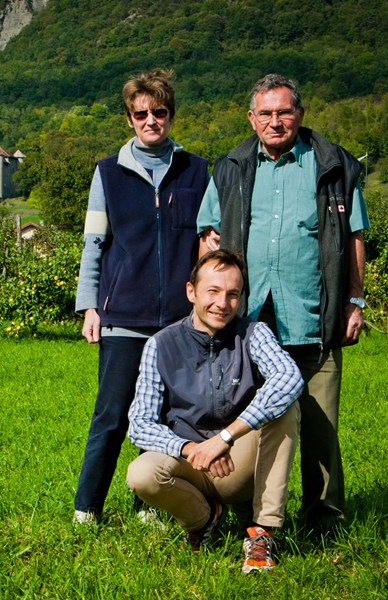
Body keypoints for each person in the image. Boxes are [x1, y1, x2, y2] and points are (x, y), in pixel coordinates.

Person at [197, 73, 370, 532]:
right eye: (266, 113)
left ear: (300, 115)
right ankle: (239, 513)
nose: (276, 121)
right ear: (252, 119)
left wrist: (355, 299)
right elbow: (210, 238)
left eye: (285, 112)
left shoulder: (334, 166)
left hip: (314, 316)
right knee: (241, 423)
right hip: (247, 321)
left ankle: (323, 520)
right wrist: (207, 305)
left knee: (319, 429)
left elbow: (353, 237)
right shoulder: (230, 167)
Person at [73, 69, 208, 525]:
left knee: (167, 418)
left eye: (160, 112)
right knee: (111, 416)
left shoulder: (197, 170)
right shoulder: (107, 173)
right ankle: (86, 508)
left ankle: (150, 508)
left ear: (171, 115)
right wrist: (90, 306)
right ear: (129, 119)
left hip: (177, 321)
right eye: (141, 113)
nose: (151, 120)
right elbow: (94, 244)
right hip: (123, 317)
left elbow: (207, 243)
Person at [126, 249, 302, 573]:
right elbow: (139, 423)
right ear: (191, 291)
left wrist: (225, 437)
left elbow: (290, 378)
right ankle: (203, 519)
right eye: (213, 291)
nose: (223, 303)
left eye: (233, 294)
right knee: (140, 474)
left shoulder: (253, 333)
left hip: (238, 463)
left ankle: (263, 532)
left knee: (287, 408)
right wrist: (190, 448)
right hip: (189, 462)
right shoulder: (161, 344)